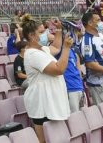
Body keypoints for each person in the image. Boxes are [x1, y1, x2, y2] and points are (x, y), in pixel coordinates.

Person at [20, 15, 72, 143]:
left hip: (50, 102)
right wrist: (67, 48)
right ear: (32, 36)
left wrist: (59, 30)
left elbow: (55, 47)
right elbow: (59, 69)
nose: (46, 34)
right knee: (44, 141)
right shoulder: (32, 54)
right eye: (42, 32)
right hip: (42, 104)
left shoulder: (42, 49)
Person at [48, 19, 84, 113]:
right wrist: (59, 30)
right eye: (73, 32)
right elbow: (55, 45)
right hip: (68, 89)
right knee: (74, 120)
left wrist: (81, 87)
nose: (75, 35)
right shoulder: (58, 50)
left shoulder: (72, 51)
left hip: (79, 88)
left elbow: (78, 71)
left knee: (83, 117)